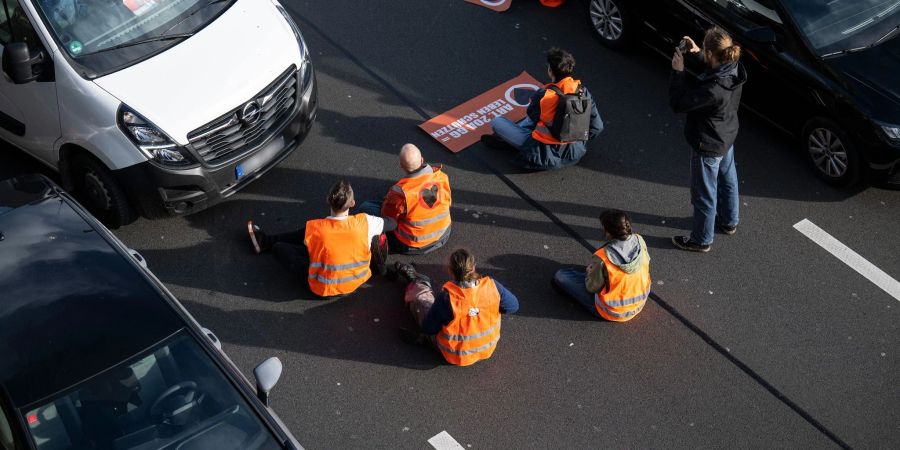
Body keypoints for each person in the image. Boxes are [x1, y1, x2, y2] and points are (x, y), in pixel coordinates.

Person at [669, 27, 746, 253]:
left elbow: (679, 103)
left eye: (704, 49)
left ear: (713, 54)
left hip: (708, 143)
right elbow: (717, 68)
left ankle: (702, 239)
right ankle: (729, 221)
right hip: (726, 135)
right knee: (728, 181)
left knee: (704, 195)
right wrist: (697, 54)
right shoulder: (735, 68)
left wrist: (678, 72)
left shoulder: (713, 90)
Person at [246, 180, 394, 298]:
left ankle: (265, 242)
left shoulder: (316, 228)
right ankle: (264, 242)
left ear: (327, 200)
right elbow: (391, 224)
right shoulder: (366, 222)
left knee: (280, 247)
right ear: (353, 203)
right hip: (356, 281)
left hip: (323, 288)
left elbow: (305, 242)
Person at [481, 47, 604, 170]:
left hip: (543, 155)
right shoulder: (583, 92)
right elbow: (597, 127)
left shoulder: (544, 95)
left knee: (497, 121)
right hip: (575, 152)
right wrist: (576, 138)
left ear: (550, 71)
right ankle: (509, 140)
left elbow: (532, 118)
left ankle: (508, 141)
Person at [393, 249, 519, 366]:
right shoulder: (492, 287)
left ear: (450, 271)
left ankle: (420, 282)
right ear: (473, 267)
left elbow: (429, 328)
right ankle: (425, 340)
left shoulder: (448, 298)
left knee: (423, 302)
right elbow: (513, 307)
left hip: (454, 354)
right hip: (488, 348)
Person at [552, 210, 650, 321]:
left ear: (607, 231)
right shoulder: (639, 240)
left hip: (612, 311)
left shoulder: (603, 257)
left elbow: (592, 287)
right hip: (639, 303)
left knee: (561, 276)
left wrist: (590, 272)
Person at [358, 143, 452, 255]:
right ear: (422, 159)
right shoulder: (442, 176)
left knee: (366, 207)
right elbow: (448, 202)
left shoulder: (400, 192)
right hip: (443, 235)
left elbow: (388, 218)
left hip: (412, 244)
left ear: (401, 166)